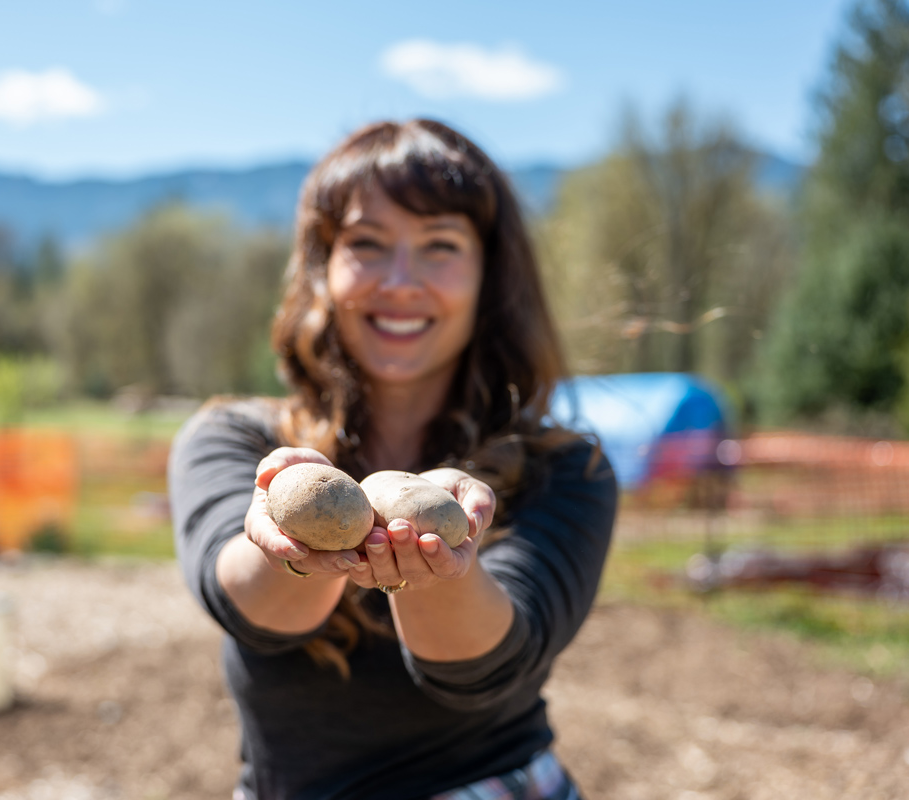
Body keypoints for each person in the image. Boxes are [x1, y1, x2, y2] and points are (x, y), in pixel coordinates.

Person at [168, 119, 617, 800]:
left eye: (440, 246)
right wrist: (296, 539)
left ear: (489, 275)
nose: (401, 281)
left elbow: (491, 666)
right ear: (323, 269)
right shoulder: (233, 440)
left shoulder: (566, 469)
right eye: (367, 245)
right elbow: (252, 611)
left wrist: (438, 564)